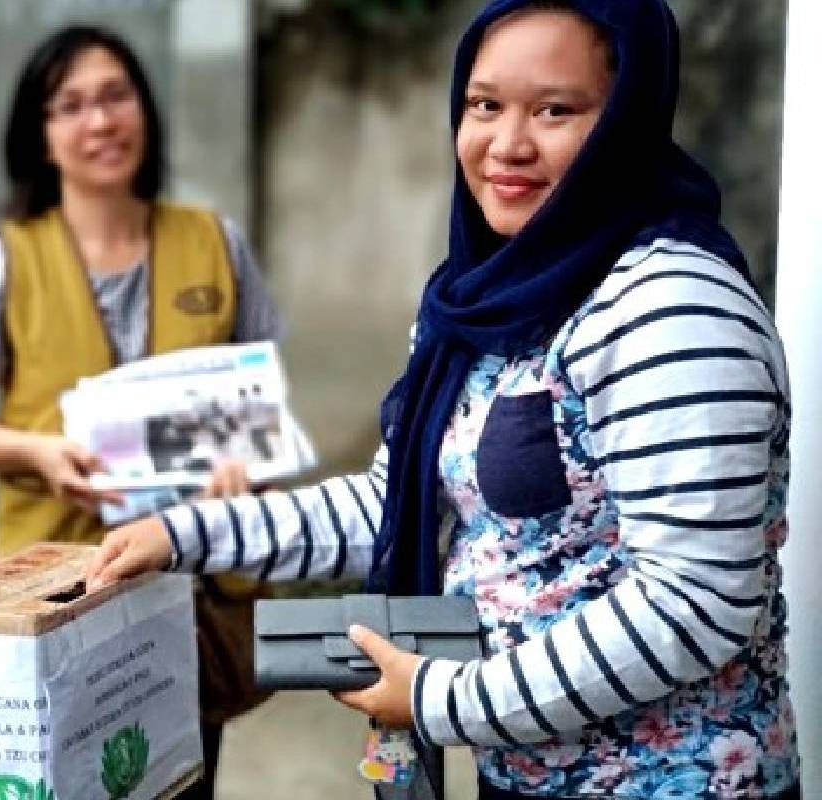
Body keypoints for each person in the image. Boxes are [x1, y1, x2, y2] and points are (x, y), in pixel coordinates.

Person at [87, 1, 801, 798]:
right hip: (522, 773)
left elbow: (692, 604)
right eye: (485, 104)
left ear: (625, 120)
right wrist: (183, 533)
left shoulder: (672, 307)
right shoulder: (480, 303)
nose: (508, 144)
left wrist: (441, 699)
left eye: (556, 110)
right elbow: (398, 508)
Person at [0, 25, 282, 798]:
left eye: (116, 96)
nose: (99, 121)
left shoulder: (218, 244)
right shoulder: (4, 263)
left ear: (145, 112)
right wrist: (37, 453)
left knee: (184, 779)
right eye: (71, 106)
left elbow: (261, 412)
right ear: (41, 136)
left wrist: (240, 474)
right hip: (56, 594)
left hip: (190, 585)